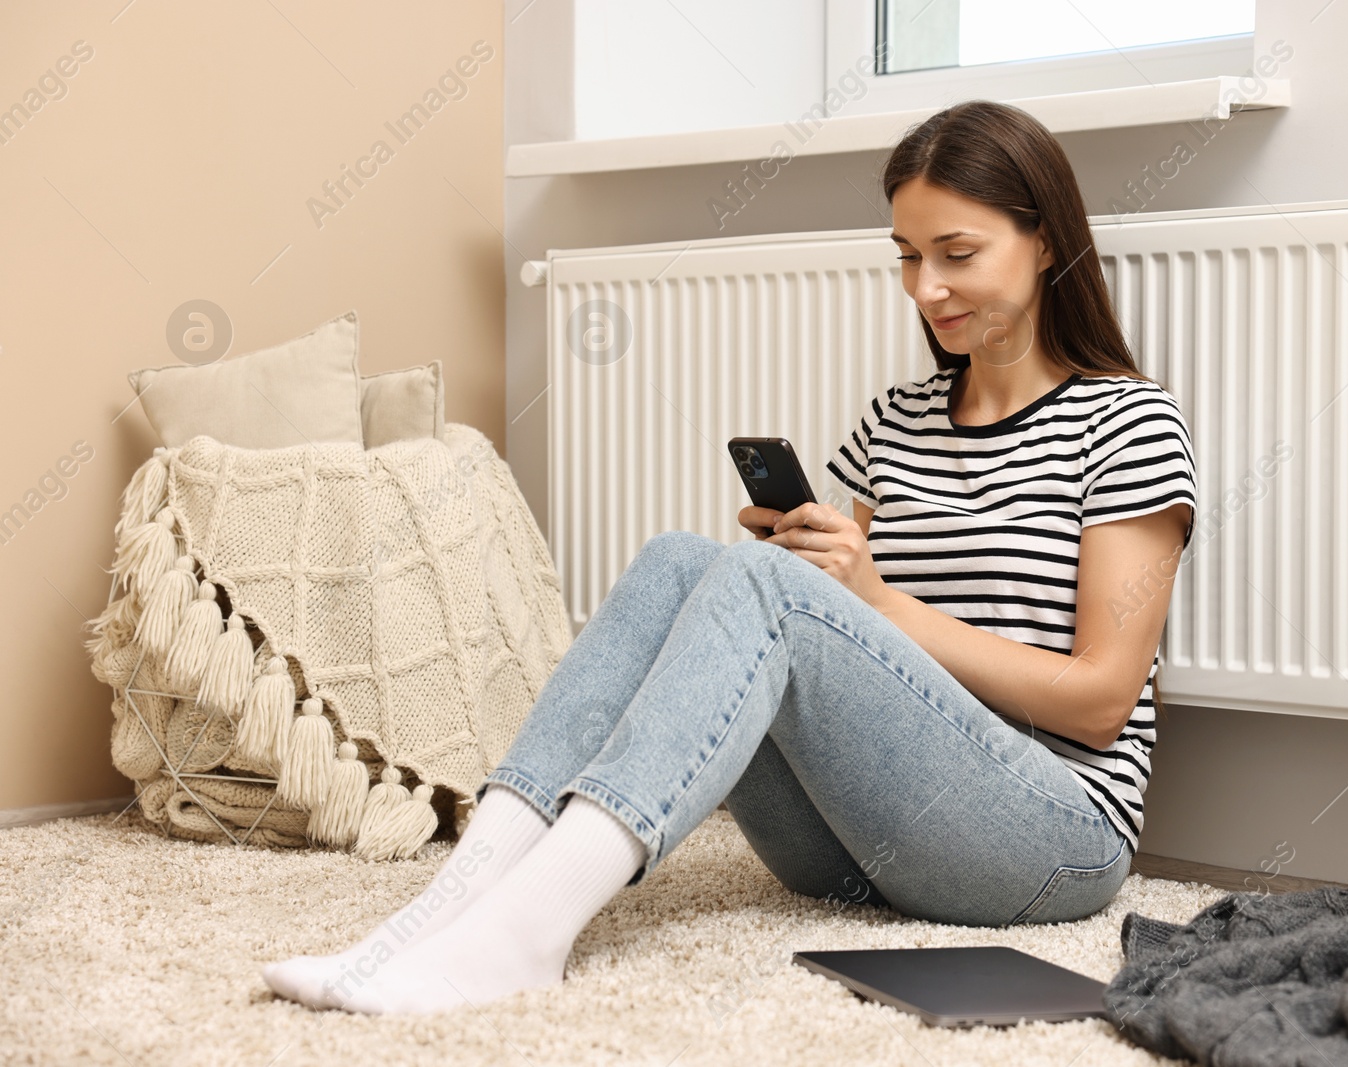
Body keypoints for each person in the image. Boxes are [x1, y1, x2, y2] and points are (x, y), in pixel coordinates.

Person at [261, 98, 1198, 1016]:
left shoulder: (1126, 424)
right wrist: (817, 573)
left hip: (1052, 838)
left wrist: (869, 599)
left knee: (767, 586)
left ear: (1044, 242)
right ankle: (451, 904)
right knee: (682, 559)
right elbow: (862, 660)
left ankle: (525, 935)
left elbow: (1102, 698)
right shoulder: (898, 421)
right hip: (854, 846)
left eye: (957, 254)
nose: (926, 289)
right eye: (908, 257)